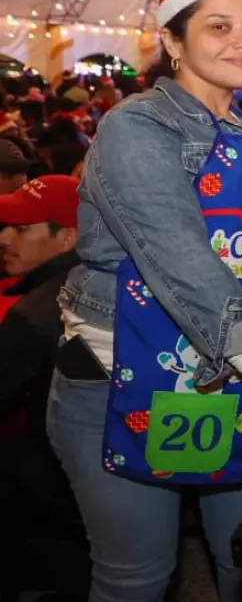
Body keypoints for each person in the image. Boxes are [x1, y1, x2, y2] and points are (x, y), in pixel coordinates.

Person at [48, 0, 242, 602]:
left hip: (241, 380)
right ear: (172, 41)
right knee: (136, 579)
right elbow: (181, 261)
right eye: (218, 26)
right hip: (124, 384)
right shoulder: (134, 127)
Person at [0, 177, 84, 557]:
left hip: (59, 488)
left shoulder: (35, 315)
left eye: (20, 229)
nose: (4, 239)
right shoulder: (90, 284)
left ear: (68, 238)